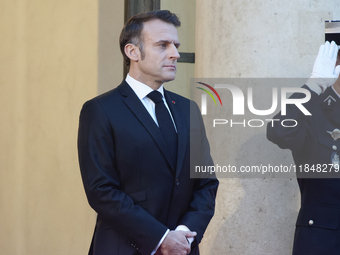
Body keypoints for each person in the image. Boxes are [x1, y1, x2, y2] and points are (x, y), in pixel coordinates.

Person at [77, 10, 218, 255]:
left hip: (183, 249)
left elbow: (206, 183)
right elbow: (101, 191)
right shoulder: (100, 110)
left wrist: (184, 234)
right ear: (132, 52)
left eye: (176, 45)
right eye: (163, 45)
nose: (175, 54)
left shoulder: (188, 109)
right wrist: (161, 238)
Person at [267, 41, 340, 254]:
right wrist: (313, 86)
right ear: (336, 63)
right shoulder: (312, 112)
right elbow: (279, 131)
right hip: (324, 242)